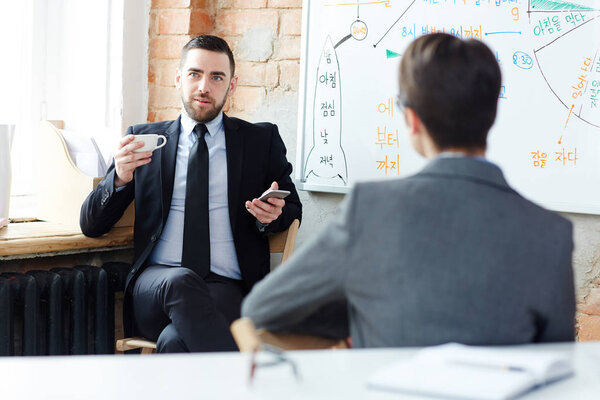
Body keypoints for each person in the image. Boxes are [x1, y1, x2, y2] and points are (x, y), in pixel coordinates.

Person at [242, 33, 575, 347]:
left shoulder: (371, 208)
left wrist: (367, 317)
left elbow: (262, 307)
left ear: (413, 120)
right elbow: (557, 359)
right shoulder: (552, 233)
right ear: (491, 115)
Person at [80, 35, 302, 353]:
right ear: (178, 79)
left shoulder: (258, 141)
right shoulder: (145, 140)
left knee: (174, 342)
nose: (203, 87)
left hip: (225, 287)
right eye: (195, 74)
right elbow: (91, 224)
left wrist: (273, 216)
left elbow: (292, 206)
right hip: (155, 288)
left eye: (216, 77)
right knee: (180, 281)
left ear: (232, 85)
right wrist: (120, 176)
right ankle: (246, 382)